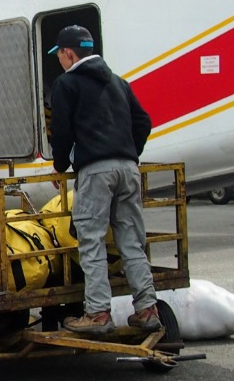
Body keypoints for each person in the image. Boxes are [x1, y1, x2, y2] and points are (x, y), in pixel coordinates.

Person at [46, 24, 160, 335]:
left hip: (95, 171)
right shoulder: (118, 82)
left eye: (60, 56)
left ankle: (97, 314)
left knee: (91, 241)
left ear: (69, 53)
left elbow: (62, 131)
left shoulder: (66, 85)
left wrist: (59, 165)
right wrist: (127, 152)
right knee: (131, 241)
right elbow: (144, 121)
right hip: (127, 168)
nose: (60, 61)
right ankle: (147, 310)